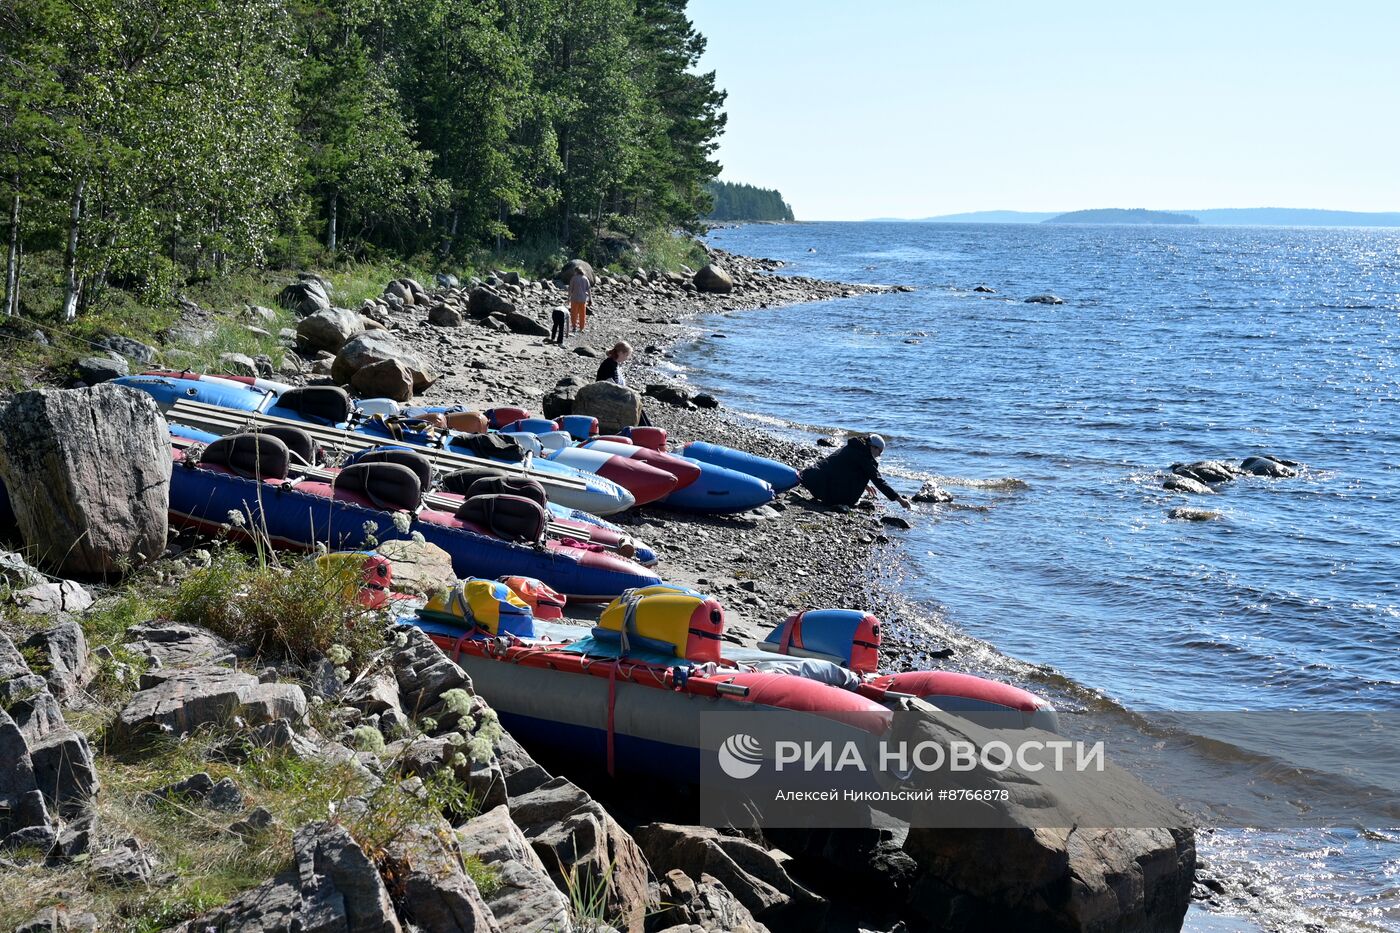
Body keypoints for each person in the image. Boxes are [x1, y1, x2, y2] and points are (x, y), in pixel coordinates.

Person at [799, 434, 912, 509]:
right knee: (854, 499)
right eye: (880, 451)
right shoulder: (865, 459)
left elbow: (842, 469)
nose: (879, 455)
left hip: (811, 479)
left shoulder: (852, 447)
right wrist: (899, 499)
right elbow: (879, 481)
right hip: (826, 493)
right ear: (873, 447)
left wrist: (865, 484)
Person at [568, 269, 591, 333]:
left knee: (574, 313)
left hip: (574, 299)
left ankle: (574, 327)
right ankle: (581, 328)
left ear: (576, 271)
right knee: (582, 314)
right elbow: (589, 290)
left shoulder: (573, 278)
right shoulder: (585, 278)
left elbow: (570, 289)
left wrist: (568, 298)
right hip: (583, 299)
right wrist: (590, 299)